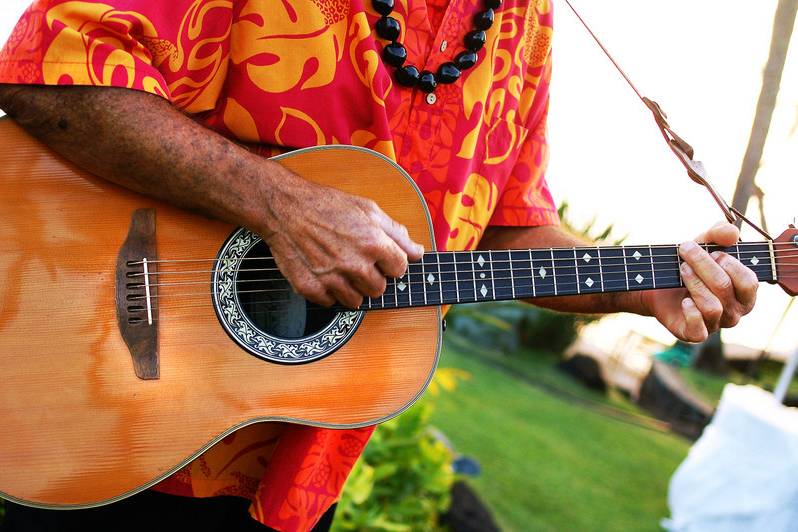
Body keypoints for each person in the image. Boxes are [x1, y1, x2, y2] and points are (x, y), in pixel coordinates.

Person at [0, 0, 758, 530]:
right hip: (104, 414)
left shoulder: (525, 19)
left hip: (299, 469)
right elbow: (44, 72)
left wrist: (634, 283)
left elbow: (500, 230)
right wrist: (279, 205)